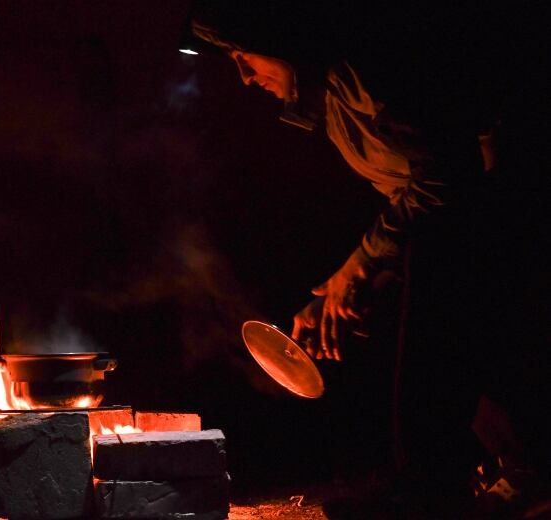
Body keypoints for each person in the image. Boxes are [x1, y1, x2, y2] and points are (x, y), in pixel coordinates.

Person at [184, 1, 550, 516]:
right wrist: (352, 278)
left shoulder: (362, 76)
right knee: (394, 329)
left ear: (286, 40)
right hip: (453, 234)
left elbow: (447, 173)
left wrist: (362, 265)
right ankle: (504, 467)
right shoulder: (334, 106)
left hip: (507, 217)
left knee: (436, 346)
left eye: (247, 57)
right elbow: (410, 196)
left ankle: (434, 490)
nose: (245, 77)